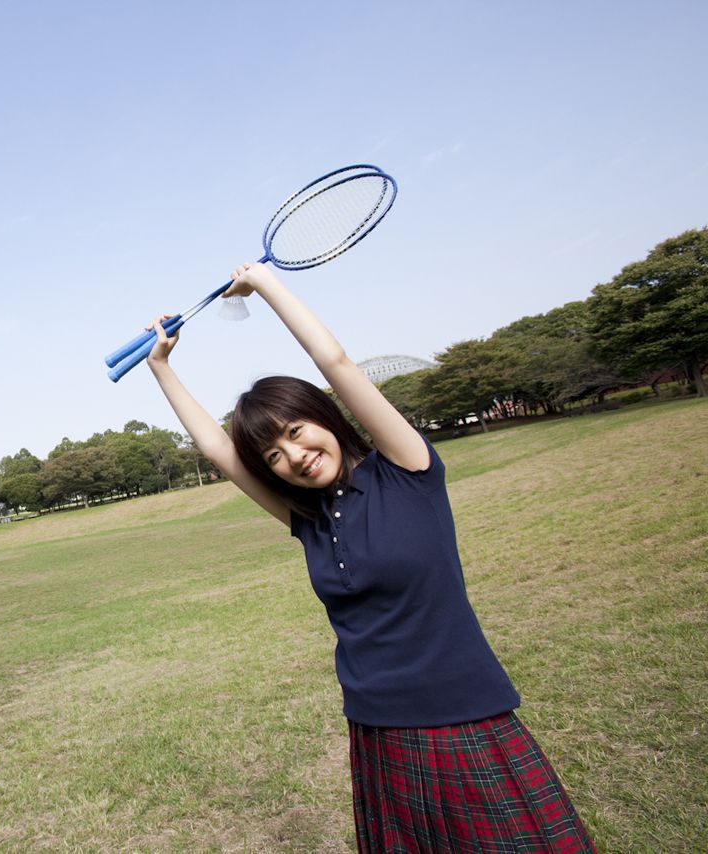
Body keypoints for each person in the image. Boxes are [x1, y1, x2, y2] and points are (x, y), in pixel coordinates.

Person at [144, 262, 595, 853]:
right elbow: (221, 453)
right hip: (379, 727)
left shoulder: (408, 472)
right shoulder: (307, 518)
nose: (294, 456)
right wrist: (161, 368)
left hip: (464, 715)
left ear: (326, 418)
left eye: (298, 431)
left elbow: (337, 363)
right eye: (274, 454)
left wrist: (265, 285)